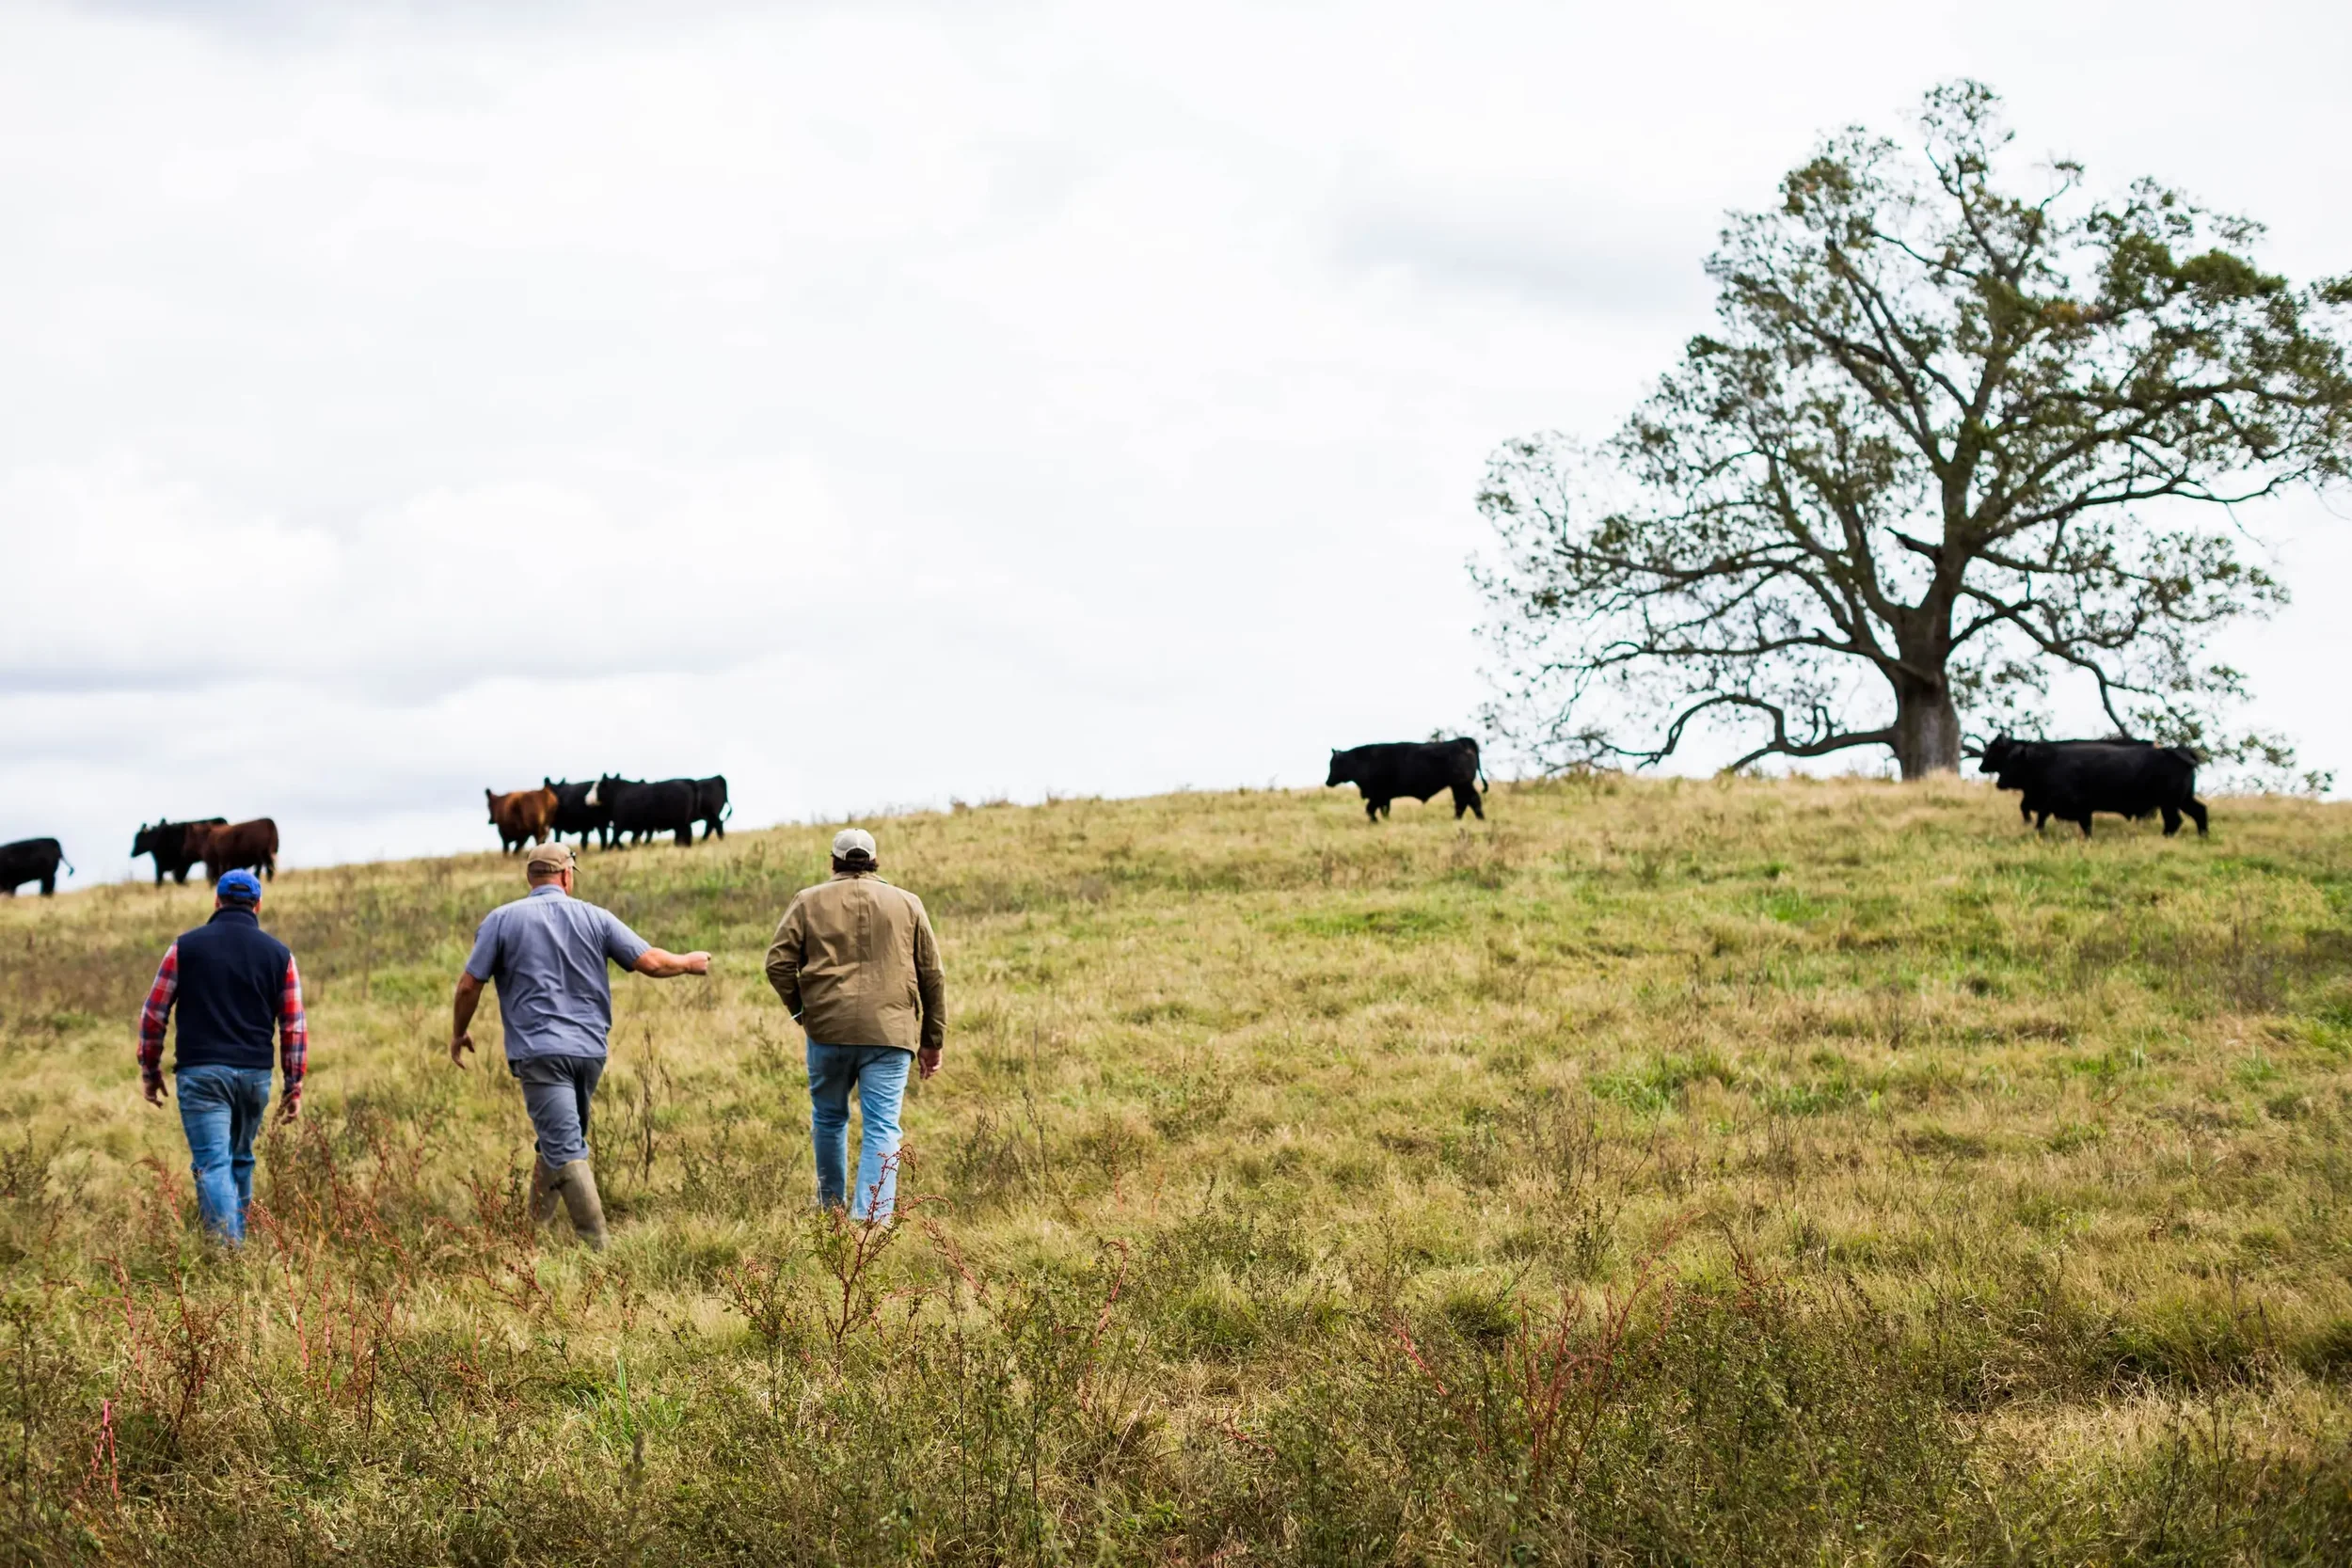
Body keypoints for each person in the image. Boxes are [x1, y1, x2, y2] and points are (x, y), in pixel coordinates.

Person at [449, 840, 709, 1249]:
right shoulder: (596, 917)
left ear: (529, 877)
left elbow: (468, 985)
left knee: (565, 1143)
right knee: (559, 1137)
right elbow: (650, 962)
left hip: (540, 1053)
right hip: (590, 1051)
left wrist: (458, 1032)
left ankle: (599, 1249)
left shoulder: (501, 920)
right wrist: (689, 963)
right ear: (567, 876)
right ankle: (532, 1233)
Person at [764, 827, 946, 1220]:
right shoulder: (908, 903)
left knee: (829, 1118)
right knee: (882, 1126)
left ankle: (830, 1208)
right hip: (890, 1033)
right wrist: (932, 1039)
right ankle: (871, 1222)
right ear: (875, 860)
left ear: (834, 861)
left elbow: (777, 964)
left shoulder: (807, 901)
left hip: (827, 1031)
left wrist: (802, 1011)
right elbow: (932, 975)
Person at [135, 869, 308, 1244]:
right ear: (258, 905)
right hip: (254, 1077)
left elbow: (154, 1013)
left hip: (202, 1074)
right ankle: (236, 1242)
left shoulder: (185, 947)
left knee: (213, 1164)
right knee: (241, 1159)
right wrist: (294, 1087)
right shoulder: (280, 956)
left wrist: (150, 1070)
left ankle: (228, 1251)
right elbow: (293, 1026)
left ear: (217, 901)